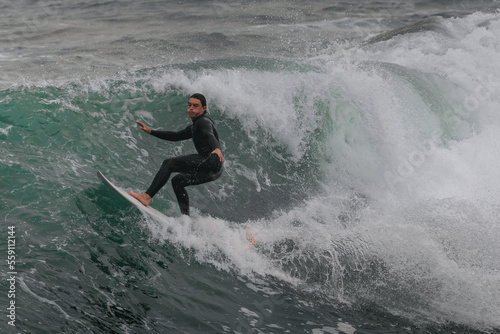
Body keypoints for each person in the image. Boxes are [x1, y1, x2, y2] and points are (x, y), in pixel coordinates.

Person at [127, 93, 224, 216]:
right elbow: (176, 136)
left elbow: (208, 134)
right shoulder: (195, 125)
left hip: (211, 160)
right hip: (215, 169)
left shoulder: (202, 122)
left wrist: (216, 148)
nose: (191, 108)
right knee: (177, 181)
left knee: (169, 163)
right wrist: (151, 131)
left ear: (203, 109)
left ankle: (146, 196)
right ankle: (186, 218)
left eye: (195, 106)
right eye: (189, 105)